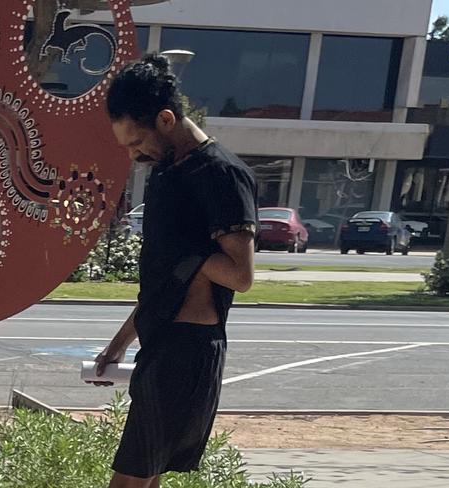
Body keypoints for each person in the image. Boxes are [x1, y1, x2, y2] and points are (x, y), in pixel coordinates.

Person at [94, 53, 258, 488]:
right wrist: (117, 345)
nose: (134, 155)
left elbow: (241, 276)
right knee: (143, 479)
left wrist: (192, 252)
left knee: (128, 482)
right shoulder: (167, 172)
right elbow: (166, 278)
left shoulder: (222, 174)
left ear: (166, 119)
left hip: (188, 350)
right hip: (162, 341)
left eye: (136, 142)